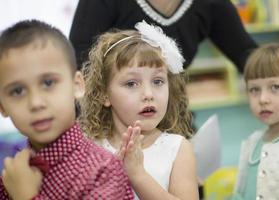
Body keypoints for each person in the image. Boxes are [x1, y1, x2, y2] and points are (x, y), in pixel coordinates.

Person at [0, 19, 134, 200]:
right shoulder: (14, 174)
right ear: (2, 107)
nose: (36, 103)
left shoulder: (103, 170)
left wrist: (26, 197)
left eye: (48, 83)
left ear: (77, 85)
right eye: (17, 91)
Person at [79, 20, 199, 200]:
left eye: (158, 81)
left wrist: (137, 175)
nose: (148, 94)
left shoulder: (178, 148)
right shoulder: (89, 148)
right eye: (131, 83)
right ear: (104, 94)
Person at [69, 0, 258, 71]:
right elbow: (79, 63)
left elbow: (248, 56)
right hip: (112, 122)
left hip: (173, 119)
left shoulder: (211, 5)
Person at [233, 43, 279, 200]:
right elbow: (239, 194)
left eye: (275, 87)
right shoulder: (252, 142)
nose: (263, 99)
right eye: (254, 90)